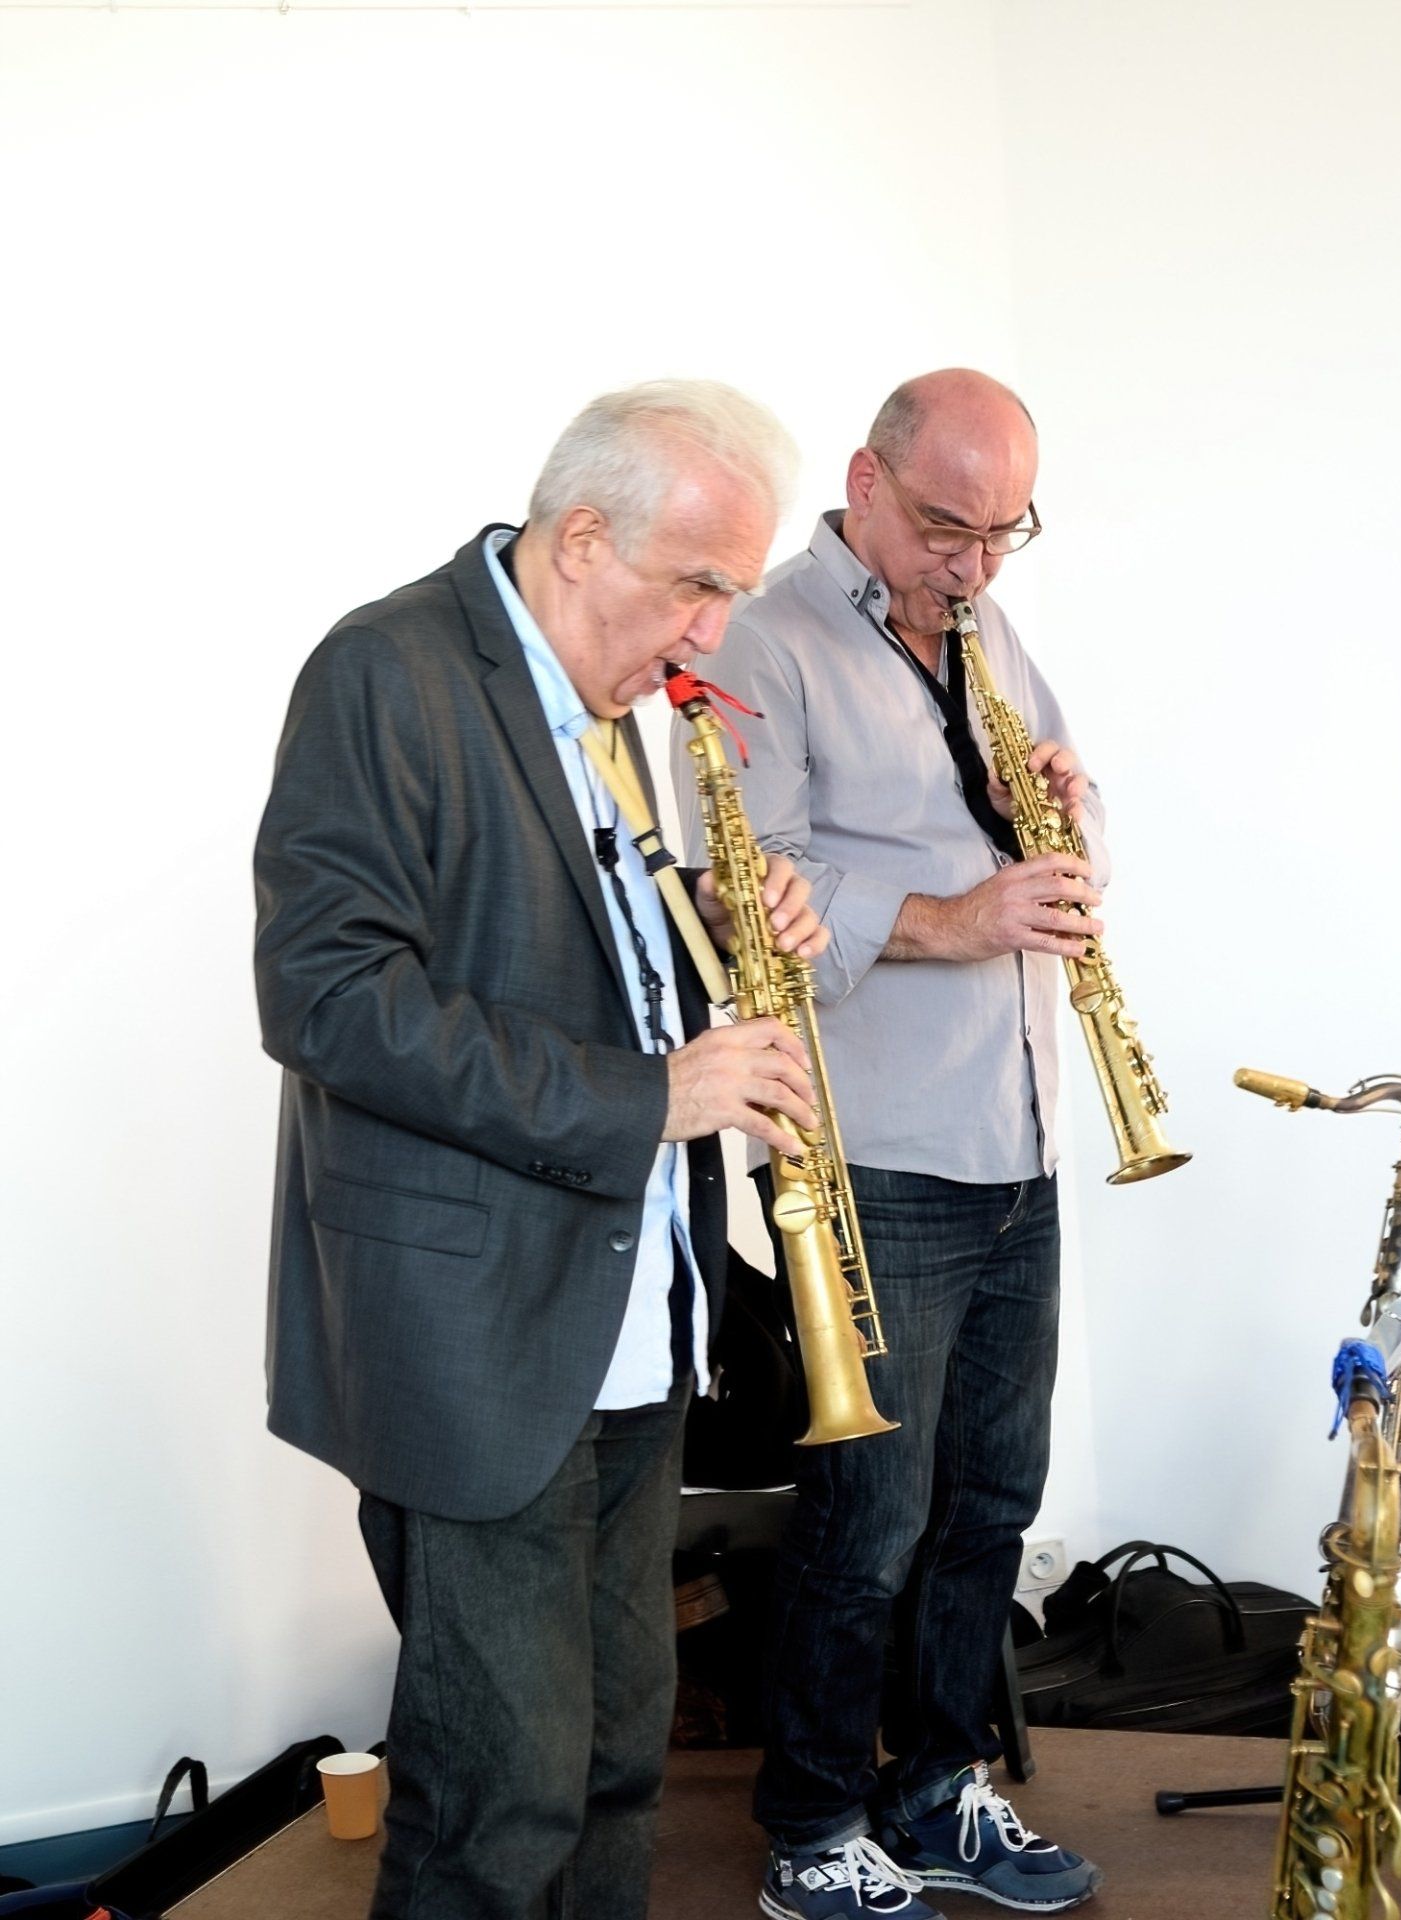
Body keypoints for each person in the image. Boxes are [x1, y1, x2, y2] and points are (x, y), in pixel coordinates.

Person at [255, 380, 826, 1920]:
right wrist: (652, 1097)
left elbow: (568, 955)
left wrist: (708, 924)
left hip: (631, 1325)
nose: (714, 634)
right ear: (582, 539)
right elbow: (329, 997)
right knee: (497, 1800)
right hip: (480, 1342)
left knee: (616, 1764)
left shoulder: (604, 707)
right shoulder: (390, 670)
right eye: (698, 586)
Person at [674, 370, 1106, 1919]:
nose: (973, 566)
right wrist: (957, 918)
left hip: (1017, 1136)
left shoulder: (989, 635)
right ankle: (810, 1826)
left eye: (1004, 535)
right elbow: (746, 888)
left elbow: (1065, 844)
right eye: (945, 529)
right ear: (865, 482)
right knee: (869, 1520)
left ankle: (934, 1791)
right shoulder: (762, 643)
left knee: (991, 1503)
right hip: (874, 1155)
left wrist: (1069, 815)